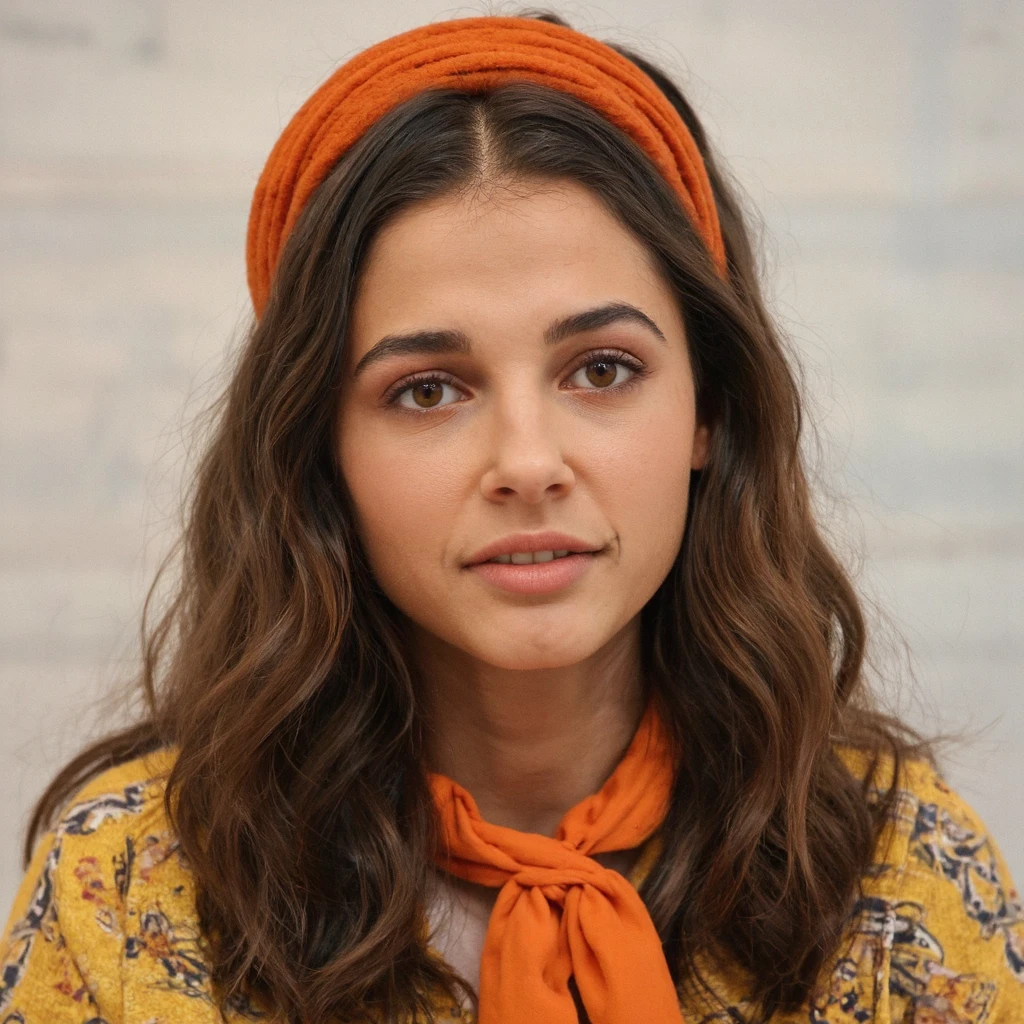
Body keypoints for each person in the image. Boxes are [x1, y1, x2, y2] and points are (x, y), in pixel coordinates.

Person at [1, 9, 1020, 1024]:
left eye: (602, 370)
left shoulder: (899, 882)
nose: (527, 464)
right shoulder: (131, 892)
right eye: (429, 390)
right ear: (318, 449)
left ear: (709, 410)